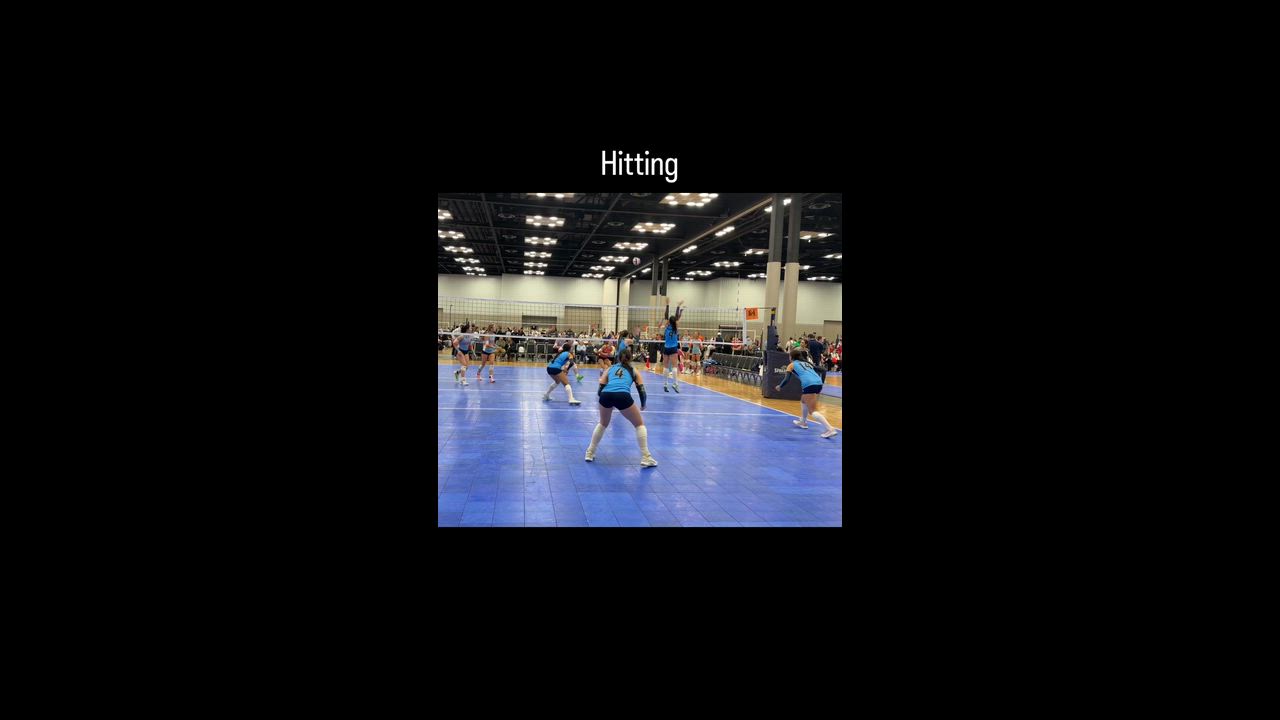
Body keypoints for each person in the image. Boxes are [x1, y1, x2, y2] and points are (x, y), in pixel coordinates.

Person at [585, 349, 657, 467]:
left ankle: (590, 452)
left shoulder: (610, 369)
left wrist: (608, 402)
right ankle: (646, 457)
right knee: (639, 424)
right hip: (623, 396)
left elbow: (600, 389)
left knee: (602, 424)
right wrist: (643, 404)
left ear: (617, 358)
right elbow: (642, 390)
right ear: (631, 358)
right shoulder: (634, 370)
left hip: (605, 395)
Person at [775, 348, 839, 438]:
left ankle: (830, 429)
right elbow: (823, 370)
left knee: (813, 411)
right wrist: (821, 381)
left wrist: (780, 386)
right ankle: (803, 422)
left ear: (791, 357)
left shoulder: (791, 365)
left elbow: (786, 379)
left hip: (809, 384)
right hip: (818, 383)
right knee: (803, 400)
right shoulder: (807, 363)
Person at [658, 299, 685, 393]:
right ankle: (675, 384)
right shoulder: (676, 327)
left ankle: (665, 384)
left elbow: (665, 317)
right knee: (674, 366)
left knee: (665, 367)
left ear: (669, 321)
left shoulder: (666, 327)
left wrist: (667, 304)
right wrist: (678, 306)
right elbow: (677, 317)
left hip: (666, 348)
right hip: (673, 348)